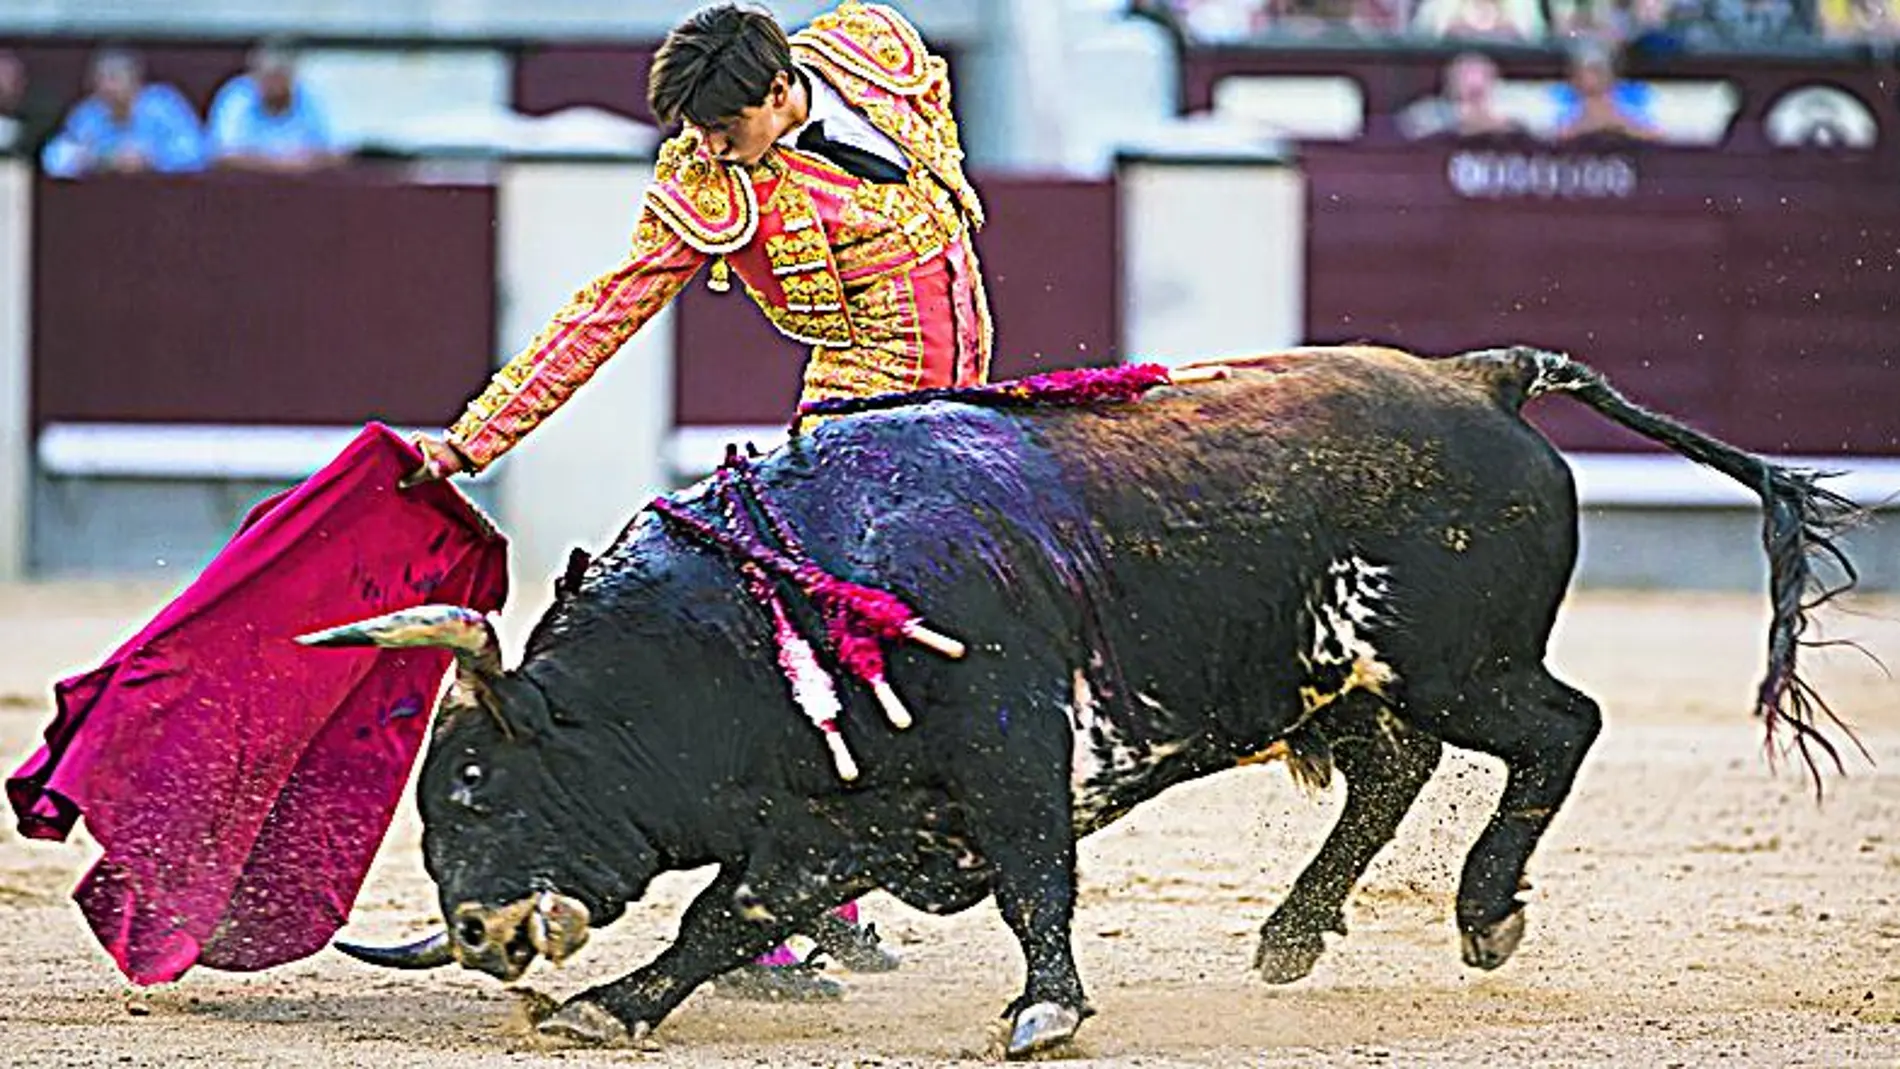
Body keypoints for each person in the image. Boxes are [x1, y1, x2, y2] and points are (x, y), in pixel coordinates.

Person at [409, 0, 991, 1001]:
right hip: (859, 426)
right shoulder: (706, 185)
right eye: (694, 132)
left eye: (723, 128)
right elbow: (604, 311)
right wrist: (477, 436)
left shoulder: (872, 51)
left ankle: (835, 891)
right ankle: (780, 912)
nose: (704, 148)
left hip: (962, 409)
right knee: (814, 648)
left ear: (779, 90)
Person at [41, 47, 206, 178]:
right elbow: (53, 159)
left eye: (114, 79)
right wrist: (92, 159)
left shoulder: (163, 105)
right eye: (101, 80)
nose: (107, 88)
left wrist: (151, 159)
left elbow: (197, 152)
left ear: (136, 80)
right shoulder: (88, 114)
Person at [207, 40, 342, 173]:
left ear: (291, 76)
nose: (273, 85)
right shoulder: (238, 96)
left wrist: (305, 163)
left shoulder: (312, 96)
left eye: (279, 76)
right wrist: (279, 165)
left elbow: (338, 154)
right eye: (268, 77)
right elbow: (221, 155)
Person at [1549, 39, 1661, 143]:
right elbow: (1551, 139)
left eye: (1599, 70)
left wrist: (1619, 125)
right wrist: (1588, 125)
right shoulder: (1559, 99)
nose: (1596, 77)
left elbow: (1656, 137)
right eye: (1591, 70)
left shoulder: (1633, 98)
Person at [1397, 52, 1527, 140]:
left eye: (1483, 77)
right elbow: (1410, 125)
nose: (1475, 83)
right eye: (1466, 76)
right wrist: (1459, 119)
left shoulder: (1512, 109)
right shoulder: (1429, 112)